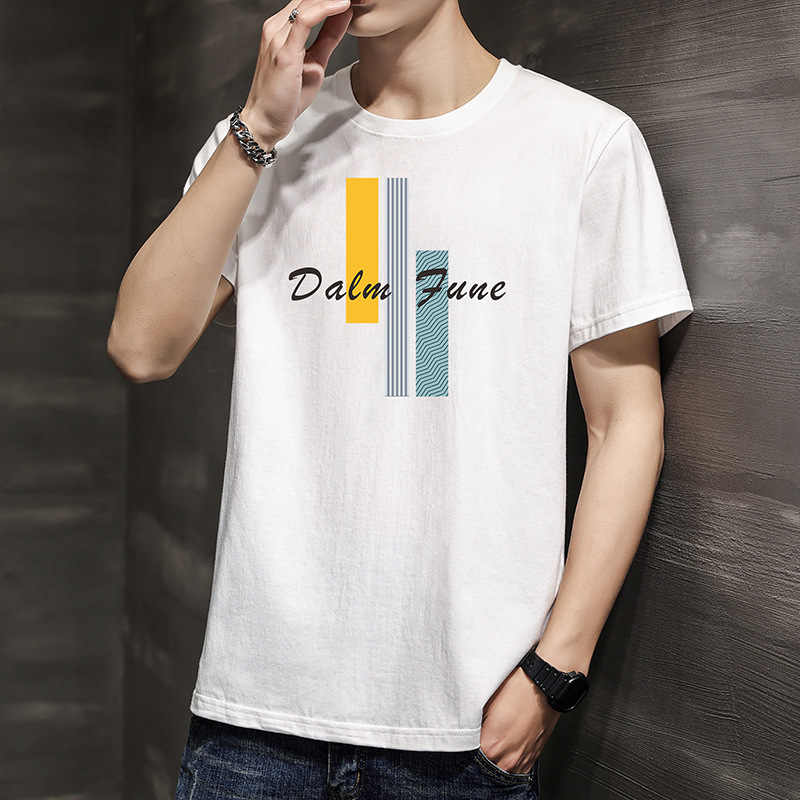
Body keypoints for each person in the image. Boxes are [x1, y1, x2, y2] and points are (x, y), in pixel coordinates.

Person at [107, 0, 694, 797]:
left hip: (464, 729)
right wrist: (259, 128)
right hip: (258, 722)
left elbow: (625, 419)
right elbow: (142, 347)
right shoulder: (262, 140)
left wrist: (555, 672)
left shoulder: (582, 141)